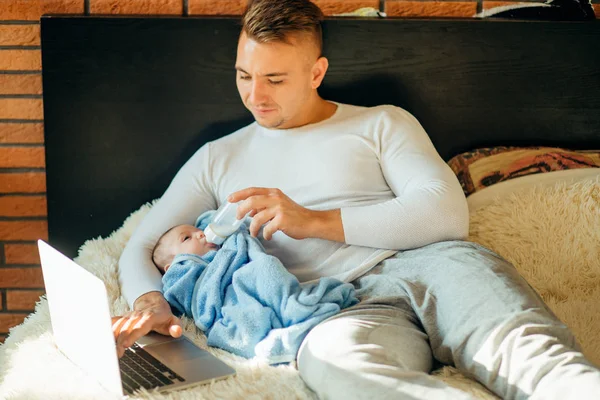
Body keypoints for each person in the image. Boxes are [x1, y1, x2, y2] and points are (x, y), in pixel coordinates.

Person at [113, 0, 600, 398]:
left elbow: (446, 213)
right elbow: (143, 244)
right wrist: (151, 301)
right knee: (346, 376)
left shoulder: (380, 122)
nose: (255, 96)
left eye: (275, 79)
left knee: (537, 362)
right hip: (337, 308)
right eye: (244, 75)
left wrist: (314, 221)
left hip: (435, 267)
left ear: (316, 71)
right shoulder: (217, 158)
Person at [150, 213, 358, 364]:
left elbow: (225, 224)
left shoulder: (227, 246)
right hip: (229, 297)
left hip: (254, 276)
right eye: (187, 238)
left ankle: (292, 307)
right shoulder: (182, 274)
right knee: (247, 310)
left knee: (266, 267)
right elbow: (189, 296)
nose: (200, 235)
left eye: (198, 231)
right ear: (173, 265)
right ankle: (276, 333)